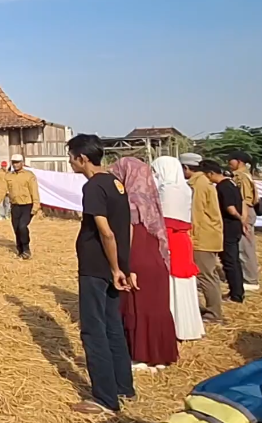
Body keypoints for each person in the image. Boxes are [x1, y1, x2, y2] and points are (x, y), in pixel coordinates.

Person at [66, 134, 135, 416]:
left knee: (94, 331)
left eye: (71, 157)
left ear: (83, 158)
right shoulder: (116, 183)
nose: (70, 163)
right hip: (112, 267)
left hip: (96, 267)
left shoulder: (93, 187)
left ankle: (105, 399)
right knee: (112, 327)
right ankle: (123, 386)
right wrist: (124, 267)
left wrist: (117, 268)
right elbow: (126, 229)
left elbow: (106, 231)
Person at [110, 157, 179, 371]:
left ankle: (140, 355)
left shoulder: (128, 202)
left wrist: (124, 265)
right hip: (156, 258)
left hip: (137, 258)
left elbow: (127, 232)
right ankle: (159, 355)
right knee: (156, 306)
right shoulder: (150, 200)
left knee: (135, 304)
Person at [150, 156, 204, 342]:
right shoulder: (184, 189)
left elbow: (162, 222)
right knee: (182, 285)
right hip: (180, 240)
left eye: (156, 170)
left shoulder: (167, 190)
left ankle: (175, 327)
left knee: (172, 284)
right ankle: (187, 326)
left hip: (170, 240)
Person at [180, 152, 225, 323]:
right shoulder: (204, 182)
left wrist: (191, 237)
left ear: (186, 168)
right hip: (209, 234)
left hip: (203, 237)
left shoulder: (198, 185)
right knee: (209, 275)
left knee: (206, 276)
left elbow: (196, 214)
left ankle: (214, 313)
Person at [201, 160, 246, 303]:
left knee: (229, 262)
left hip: (228, 227)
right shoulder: (231, 183)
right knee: (233, 261)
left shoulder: (222, 187)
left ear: (211, 174)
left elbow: (230, 208)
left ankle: (236, 295)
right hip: (235, 227)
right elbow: (243, 202)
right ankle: (237, 291)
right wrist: (242, 219)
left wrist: (239, 218)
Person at [0, 154, 41, 259]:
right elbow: (2, 190)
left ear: (22, 163)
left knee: (22, 226)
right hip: (15, 206)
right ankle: (20, 250)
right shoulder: (8, 176)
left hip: (27, 205)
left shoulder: (29, 175)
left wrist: (35, 206)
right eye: (14, 162)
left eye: (17, 162)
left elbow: (34, 191)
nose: (15, 164)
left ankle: (26, 248)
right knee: (16, 228)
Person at [228, 151, 260, 292]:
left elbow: (245, 200)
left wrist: (243, 219)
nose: (229, 162)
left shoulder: (241, 177)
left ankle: (251, 280)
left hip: (244, 212)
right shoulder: (242, 175)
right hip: (243, 212)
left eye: (231, 160)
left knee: (245, 247)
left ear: (239, 161)